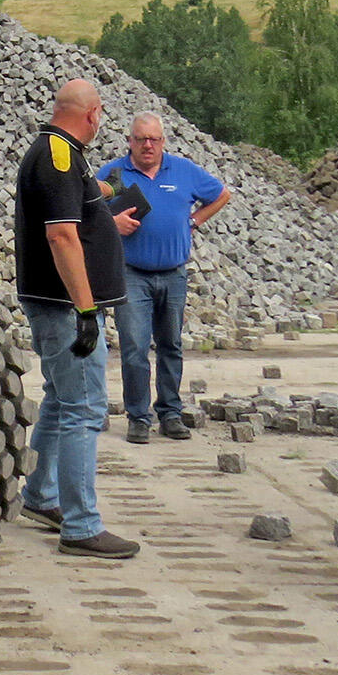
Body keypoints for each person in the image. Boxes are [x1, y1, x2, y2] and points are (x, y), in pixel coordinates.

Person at [13, 77, 142, 560]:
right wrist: (87, 310)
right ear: (92, 114)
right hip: (65, 307)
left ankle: (42, 496)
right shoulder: (60, 158)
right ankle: (82, 525)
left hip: (57, 305)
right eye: (101, 115)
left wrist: (101, 191)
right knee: (84, 408)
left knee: (60, 400)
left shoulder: (58, 154)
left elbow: (72, 213)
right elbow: (62, 237)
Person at [98, 112, 231, 442]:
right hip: (131, 274)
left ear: (163, 142)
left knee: (171, 345)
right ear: (129, 141)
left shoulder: (183, 171)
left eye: (154, 139)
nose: (147, 145)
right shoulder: (113, 174)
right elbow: (85, 209)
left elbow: (222, 194)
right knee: (134, 348)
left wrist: (194, 221)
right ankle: (138, 417)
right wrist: (110, 224)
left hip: (173, 274)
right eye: (140, 139)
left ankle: (170, 413)